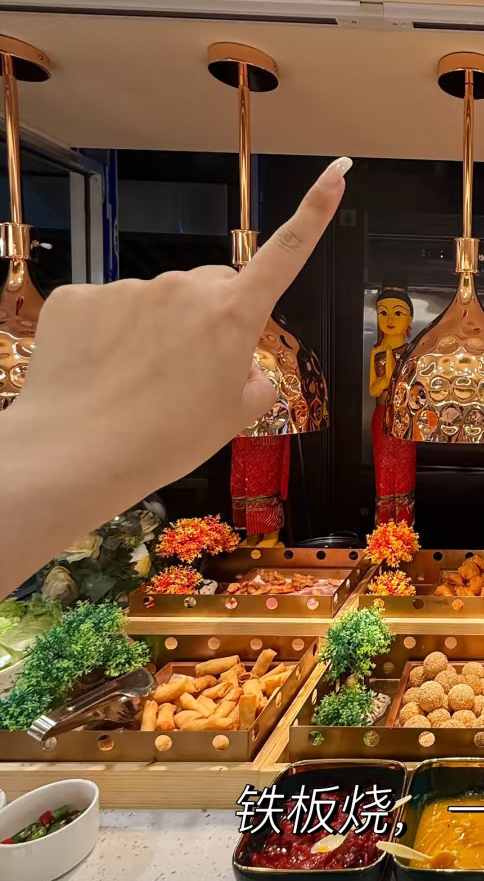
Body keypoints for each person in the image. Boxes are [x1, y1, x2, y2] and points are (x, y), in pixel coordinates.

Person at [0, 157, 351, 598]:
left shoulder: (231, 398)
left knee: (263, 483)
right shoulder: (222, 401)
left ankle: (266, 533)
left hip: (253, 434)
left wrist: (44, 446)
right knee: (249, 485)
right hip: (240, 436)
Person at [368, 282, 417, 526]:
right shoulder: (376, 351)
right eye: (383, 312)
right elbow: (373, 389)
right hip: (381, 413)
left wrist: (391, 381)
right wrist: (386, 379)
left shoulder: (412, 353)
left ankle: (404, 528)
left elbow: (414, 392)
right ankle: (384, 529)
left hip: (404, 417)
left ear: (409, 319)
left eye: (398, 313)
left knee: (403, 471)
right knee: (383, 471)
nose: (389, 319)